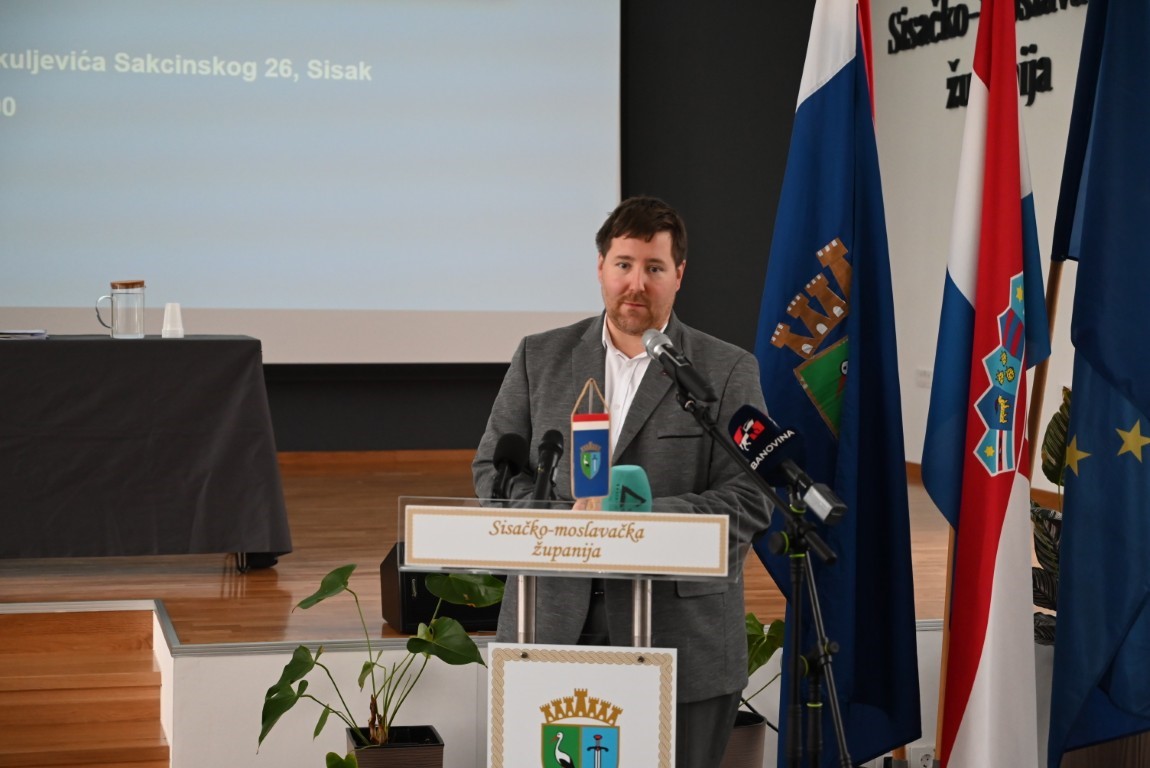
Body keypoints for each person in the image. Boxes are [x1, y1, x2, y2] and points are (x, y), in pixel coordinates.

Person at [472, 195, 773, 767]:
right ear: (600, 268)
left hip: (680, 637)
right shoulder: (541, 357)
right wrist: (556, 524)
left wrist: (641, 522)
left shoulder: (727, 369)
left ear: (679, 275)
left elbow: (751, 496)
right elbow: (493, 468)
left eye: (654, 267)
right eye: (624, 264)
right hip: (551, 622)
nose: (636, 283)